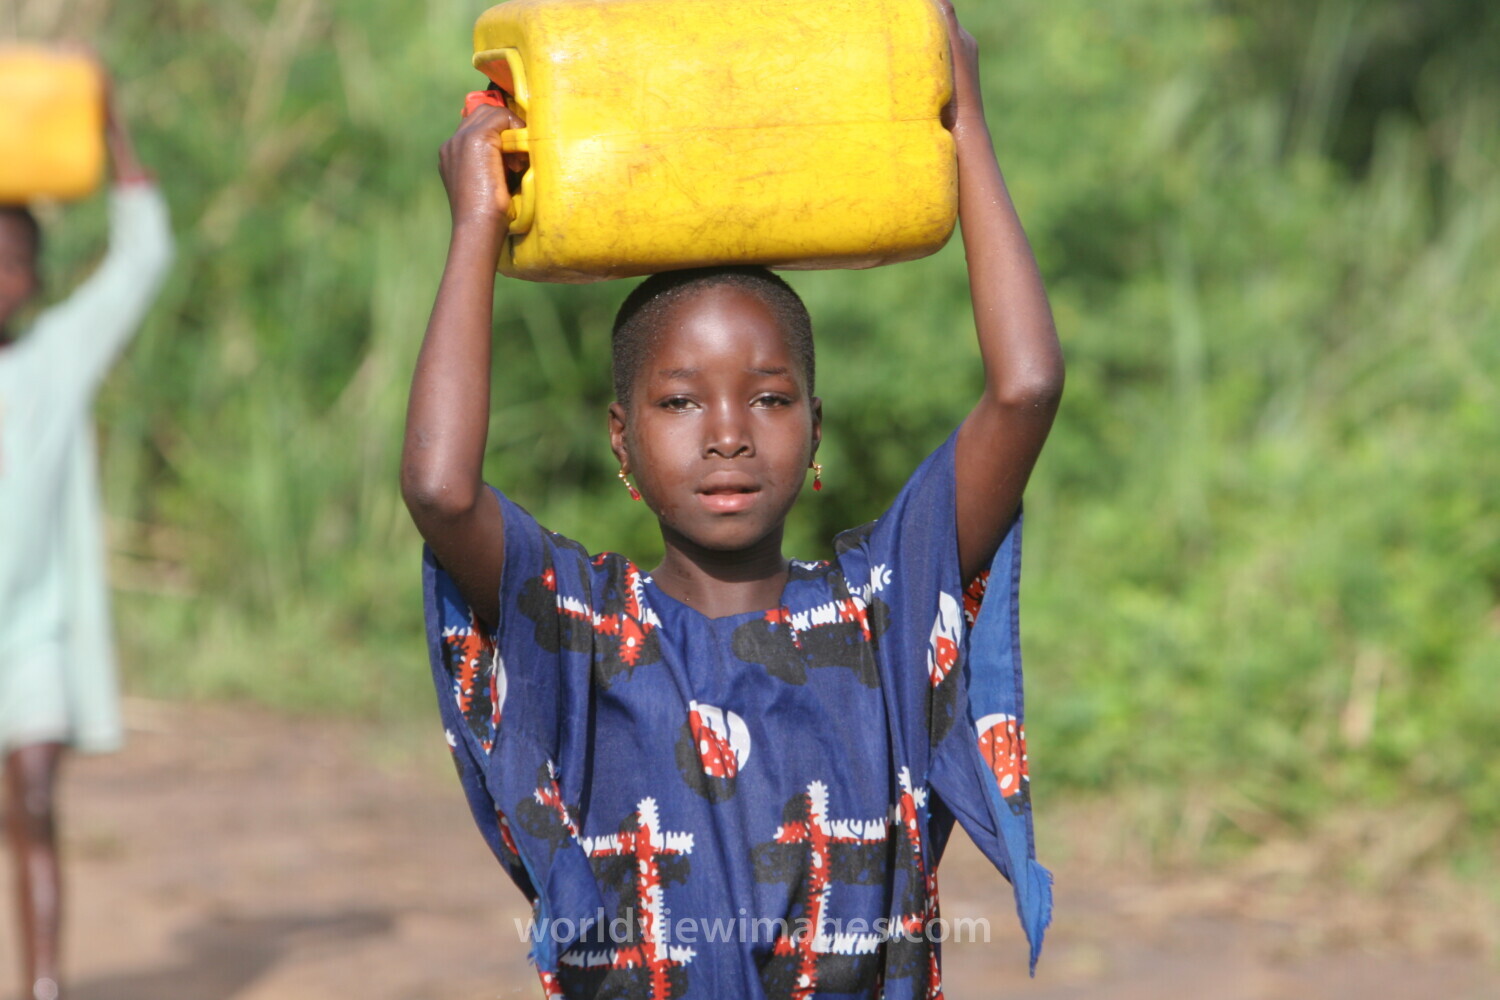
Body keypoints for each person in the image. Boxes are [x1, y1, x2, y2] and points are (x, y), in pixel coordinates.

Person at [402, 4, 1062, 996]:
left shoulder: (875, 610)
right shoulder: (588, 629)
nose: (727, 432)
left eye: (768, 396)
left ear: (815, 430)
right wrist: (474, 229)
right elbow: (440, 488)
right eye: (679, 400)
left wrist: (963, 122)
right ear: (622, 440)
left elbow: (1025, 389)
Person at [0, 68, 174, 1000]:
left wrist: (110, 130)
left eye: (17, 260)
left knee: (31, 797)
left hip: (31, 633)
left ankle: (44, 988)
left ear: (37, 278)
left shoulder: (56, 360)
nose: (4, 277)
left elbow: (140, 263)